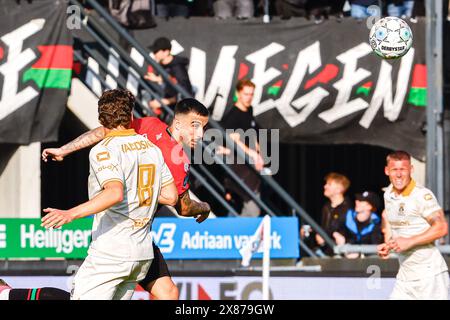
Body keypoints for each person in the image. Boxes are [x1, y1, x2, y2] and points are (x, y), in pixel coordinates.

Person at [41, 98, 210, 300]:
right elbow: (181, 206)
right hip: (121, 236)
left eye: (203, 128)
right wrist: (203, 207)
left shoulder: (148, 124)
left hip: (134, 235)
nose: (200, 134)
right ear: (178, 122)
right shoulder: (176, 157)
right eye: (196, 126)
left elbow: (105, 130)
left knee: (168, 293)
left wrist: (64, 150)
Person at [377, 150, 449, 300]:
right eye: (394, 170)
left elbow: (442, 227)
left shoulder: (422, 195)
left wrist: (410, 241)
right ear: (386, 171)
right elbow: (403, 229)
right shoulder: (388, 194)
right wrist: (389, 245)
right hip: (404, 277)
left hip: (430, 277)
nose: (398, 175)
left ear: (411, 169)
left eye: (403, 169)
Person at [220, 79, 264, 217]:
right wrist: (252, 154)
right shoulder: (233, 116)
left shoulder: (249, 110)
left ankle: (235, 234)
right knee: (250, 205)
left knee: (242, 207)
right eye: (246, 94)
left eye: (251, 94)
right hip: (238, 166)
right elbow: (233, 140)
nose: (249, 97)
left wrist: (259, 153)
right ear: (238, 93)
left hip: (249, 166)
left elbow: (253, 134)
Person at [145, 37, 193, 119]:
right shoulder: (164, 63)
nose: (154, 53)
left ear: (166, 52)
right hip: (171, 104)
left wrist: (163, 102)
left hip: (180, 111)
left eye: (156, 51)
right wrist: (158, 79)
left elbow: (185, 93)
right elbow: (172, 79)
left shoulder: (178, 69)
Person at [313, 172, 352, 256]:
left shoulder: (348, 208)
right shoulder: (326, 207)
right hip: (326, 252)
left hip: (342, 253)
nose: (325, 186)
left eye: (329, 184)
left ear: (339, 189)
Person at [334, 191, 383, 258]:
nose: (357, 202)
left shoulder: (376, 224)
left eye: (361, 201)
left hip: (365, 262)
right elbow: (333, 228)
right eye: (357, 199)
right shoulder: (348, 216)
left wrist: (360, 255)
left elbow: (375, 247)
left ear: (370, 206)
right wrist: (336, 234)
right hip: (343, 256)